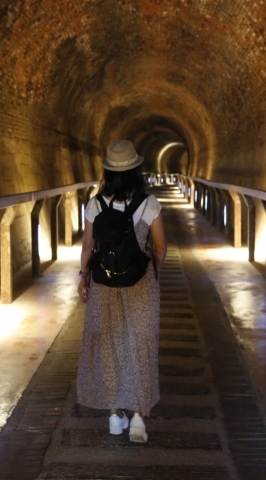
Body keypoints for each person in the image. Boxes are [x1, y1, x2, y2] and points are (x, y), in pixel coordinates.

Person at [76, 140, 166, 443]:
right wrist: (155, 271)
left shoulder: (95, 203)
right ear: (136, 169)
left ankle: (114, 416)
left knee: (108, 347)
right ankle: (139, 418)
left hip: (103, 283)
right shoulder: (148, 203)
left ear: (108, 171)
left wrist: (83, 277)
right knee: (139, 345)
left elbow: (89, 246)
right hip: (140, 284)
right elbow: (161, 246)